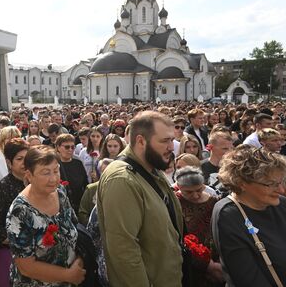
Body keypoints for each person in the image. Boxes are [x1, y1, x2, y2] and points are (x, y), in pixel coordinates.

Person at [97, 111, 183, 287]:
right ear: (141, 141)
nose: (171, 147)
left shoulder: (151, 167)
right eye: (164, 141)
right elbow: (124, 251)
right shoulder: (122, 179)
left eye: (171, 140)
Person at [212, 147, 286, 286]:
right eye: (271, 184)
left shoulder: (285, 204)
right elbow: (248, 278)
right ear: (242, 183)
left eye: (280, 182)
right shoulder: (228, 215)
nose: (281, 190)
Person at [6, 145, 85, 286]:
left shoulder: (60, 192)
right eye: (45, 173)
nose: (53, 178)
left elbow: (73, 225)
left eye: (56, 171)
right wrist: (68, 275)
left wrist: (79, 261)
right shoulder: (20, 212)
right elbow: (26, 267)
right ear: (29, 175)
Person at [174, 167, 222, 286]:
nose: (195, 196)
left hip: (216, 263)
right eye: (189, 192)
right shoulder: (174, 202)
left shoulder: (214, 202)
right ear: (179, 187)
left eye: (199, 190)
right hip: (186, 261)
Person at [0, 138, 29, 244]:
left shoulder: (37, 181)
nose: (24, 163)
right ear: (9, 162)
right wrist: (18, 243)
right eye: (19, 159)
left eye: (27, 158)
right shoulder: (4, 187)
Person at [55, 134, 88, 214]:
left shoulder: (78, 163)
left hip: (78, 206)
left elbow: (85, 184)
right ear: (58, 148)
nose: (70, 150)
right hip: (60, 207)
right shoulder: (54, 166)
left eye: (72, 147)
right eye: (67, 147)